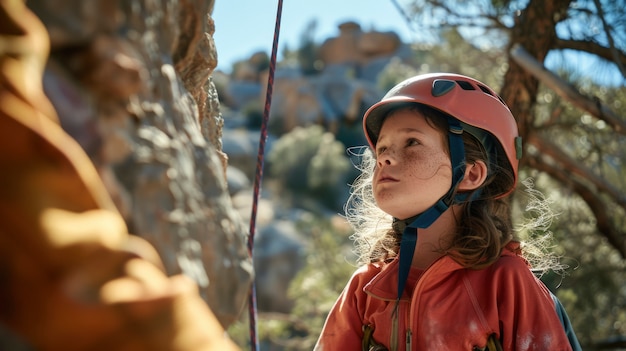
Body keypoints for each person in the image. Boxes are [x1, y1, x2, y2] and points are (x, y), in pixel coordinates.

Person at [314, 73, 581, 351]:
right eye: (382, 148)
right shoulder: (366, 288)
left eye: (411, 143)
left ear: (470, 174)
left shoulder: (506, 283)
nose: (383, 158)